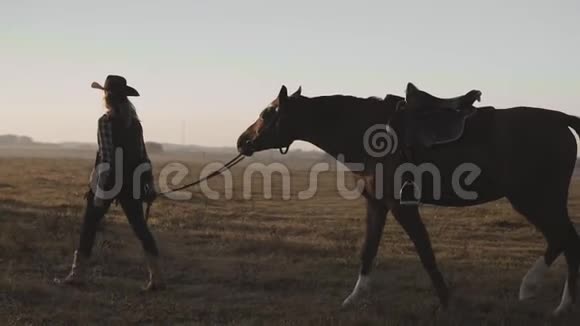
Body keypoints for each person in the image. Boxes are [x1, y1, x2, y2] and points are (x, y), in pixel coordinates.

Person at [55, 75, 163, 290]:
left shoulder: (105, 122)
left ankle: (77, 276)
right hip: (131, 182)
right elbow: (143, 156)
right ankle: (157, 279)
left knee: (89, 226)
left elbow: (108, 158)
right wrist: (148, 184)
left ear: (107, 97)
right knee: (141, 228)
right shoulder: (135, 124)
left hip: (110, 181)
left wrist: (98, 188)